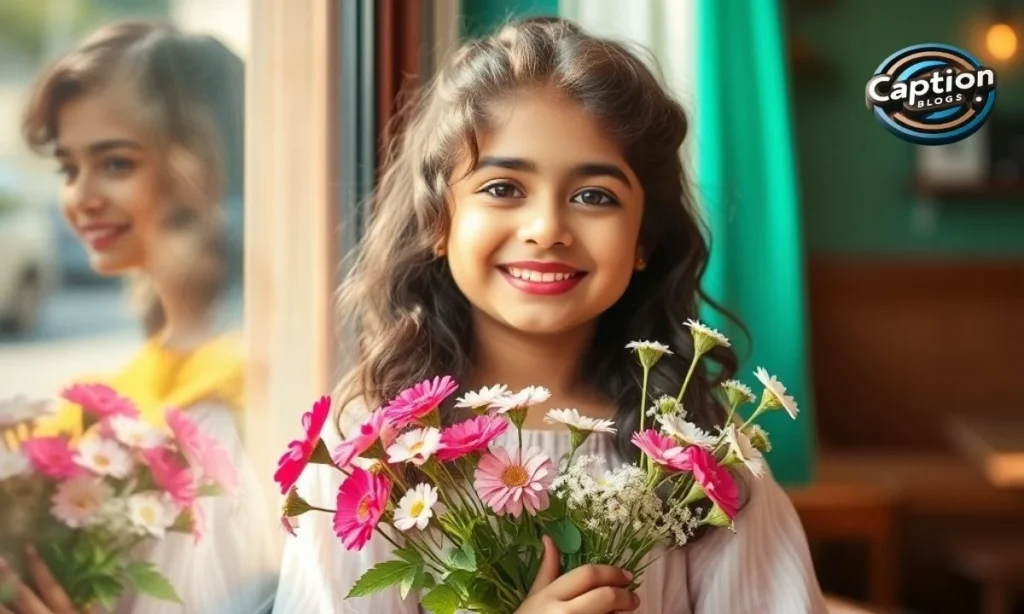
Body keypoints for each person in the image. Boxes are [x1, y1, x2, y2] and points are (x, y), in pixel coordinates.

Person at [272, 16, 828, 614]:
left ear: (644, 239)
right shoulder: (368, 462)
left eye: (594, 196)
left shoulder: (709, 469)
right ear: (438, 220)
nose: (546, 230)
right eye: (503, 188)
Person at [3, 20, 276, 614]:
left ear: (202, 166)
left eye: (116, 164)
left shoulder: (226, 400)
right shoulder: (128, 386)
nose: (81, 197)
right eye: (68, 168)